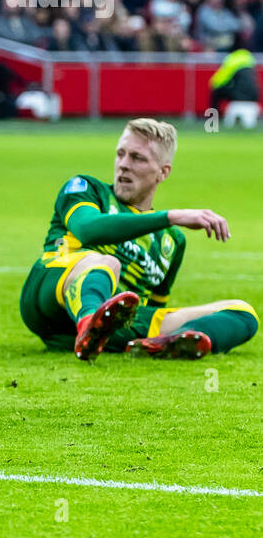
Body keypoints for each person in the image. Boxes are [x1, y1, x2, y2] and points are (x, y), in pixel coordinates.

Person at [18, 118, 257, 360]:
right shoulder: (86, 189)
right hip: (49, 297)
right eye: (120, 154)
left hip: (118, 325)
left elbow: (155, 307)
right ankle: (91, 322)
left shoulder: (172, 242)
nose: (123, 165)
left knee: (243, 312)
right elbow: (87, 229)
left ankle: (160, 345)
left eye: (137, 158)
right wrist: (172, 216)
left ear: (163, 172)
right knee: (107, 263)